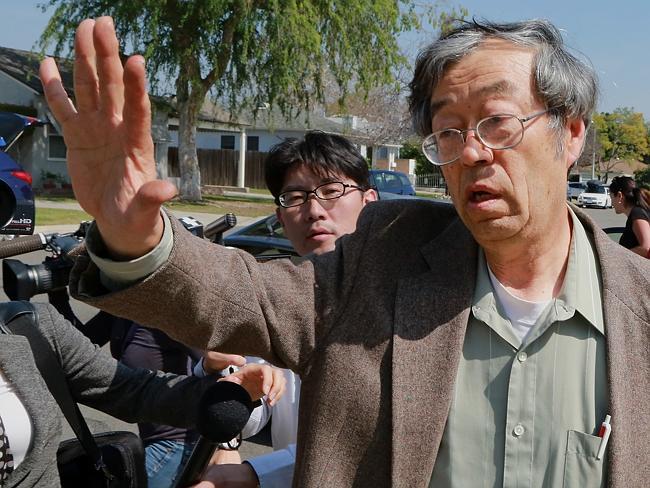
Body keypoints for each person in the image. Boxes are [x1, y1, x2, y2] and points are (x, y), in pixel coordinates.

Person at [40, 16, 650, 487]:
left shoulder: (637, 309)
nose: (469, 153)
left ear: (570, 134)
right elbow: (240, 296)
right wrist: (136, 237)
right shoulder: (382, 257)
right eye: (447, 131)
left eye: (496, 123)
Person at [197, 131, 378, 487]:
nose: (313, 210)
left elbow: (364, 444)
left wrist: (253, 473)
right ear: (280, 218)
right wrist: (236, 385)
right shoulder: (274, 296)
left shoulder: (404, 302)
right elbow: (257, 415)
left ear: (369, 202)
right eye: (295, 197)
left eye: (331, 191)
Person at [0, 301, 285, 488]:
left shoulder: (170, 311)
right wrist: (59, 295)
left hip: (172, 444)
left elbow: (217, 366)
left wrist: (227, 439)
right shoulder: (120, 309)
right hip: (155, 439)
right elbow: (75, 344)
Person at [608, 175, 650, 256]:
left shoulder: (637, 213)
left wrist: (619, 255)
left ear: (620, 196)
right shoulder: (638, 212)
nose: (612, 203)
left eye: (611, 197)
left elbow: (646, 248)